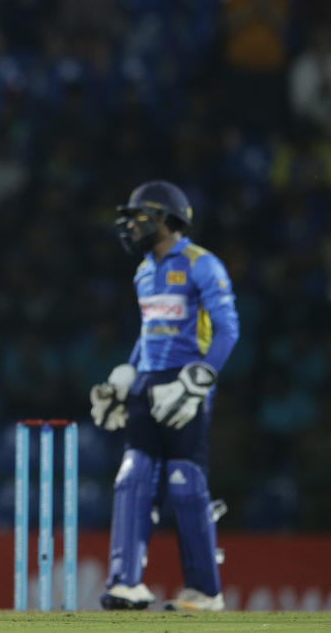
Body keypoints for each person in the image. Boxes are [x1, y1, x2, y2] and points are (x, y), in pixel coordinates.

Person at [90, 181, 239, 612]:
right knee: (133, 474)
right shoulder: (143, 271)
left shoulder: (201, 264)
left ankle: (205, 591)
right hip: (148, 381)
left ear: (164, 218)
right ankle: (125, 582)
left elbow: (228, 329)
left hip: (184, 384)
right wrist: (126, 374)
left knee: (184, 482)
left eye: (139, 216)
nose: (130, 225)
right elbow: (150, 331)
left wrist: (201, 379)